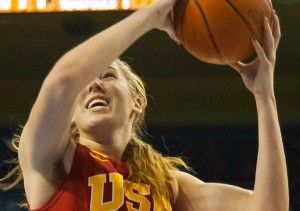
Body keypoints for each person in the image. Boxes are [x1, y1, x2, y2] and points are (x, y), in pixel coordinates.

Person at [0, 0, 288, 210]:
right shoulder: (51, 160)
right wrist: (152, 15)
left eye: (108, 75)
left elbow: (269, 207)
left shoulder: (169, 185)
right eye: (86, 81)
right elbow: (64, 80)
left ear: (137, 101)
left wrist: (264, 96)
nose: (93, 84)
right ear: (70, 114)